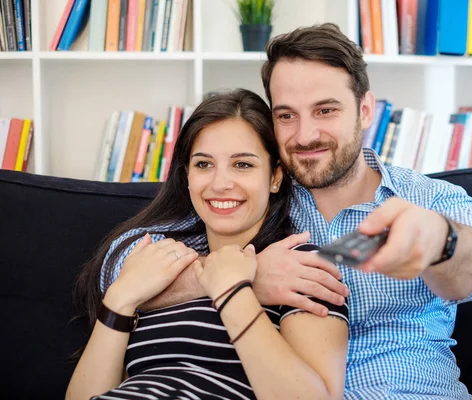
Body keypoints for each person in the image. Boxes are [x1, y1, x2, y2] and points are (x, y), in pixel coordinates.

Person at [93, 24, 472, 399]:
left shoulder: (427, 200)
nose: (306, 135)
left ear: (365, 110)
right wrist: (243, 275)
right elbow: (121, 265)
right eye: (287, 116)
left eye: (325, 110)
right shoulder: (257, 194)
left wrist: (439, 240)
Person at [66, 89, 349, 400]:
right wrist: (120, 300)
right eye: (203, 165)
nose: (220, 183)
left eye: (243, 165)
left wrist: (232, 291)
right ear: (187, 176)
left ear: (275, 177)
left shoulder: (297, 267)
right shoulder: (160, 269)